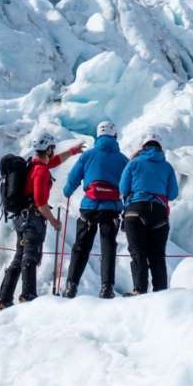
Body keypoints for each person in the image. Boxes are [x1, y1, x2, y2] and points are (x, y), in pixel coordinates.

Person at [0, 132, 84, 310]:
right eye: (52, 148)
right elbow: (40, 202)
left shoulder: (33, 165)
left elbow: (56, 161)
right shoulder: (41, 171)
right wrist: (54, 221)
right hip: (32, 219)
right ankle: (28, 296)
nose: (53, 151)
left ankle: (4, 299)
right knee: (30, 256)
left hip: (21, 219)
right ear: (48, 149)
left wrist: (73, 151)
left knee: (19, 257)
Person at [61, 121, 130, 299]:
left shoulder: (88, 156)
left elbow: (73, 178)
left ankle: (71, 286)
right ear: (115, 136)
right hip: (111, 208)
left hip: (89, 207)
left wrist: (67, 191)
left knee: (81, 246)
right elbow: (129, 186)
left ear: (98, 136)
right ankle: (107, 287)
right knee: (108, 247)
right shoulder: (123, 160)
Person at [119, 133, 179, 294]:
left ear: (143, 147)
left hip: (135, 211)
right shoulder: (167, 167)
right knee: (157, 255)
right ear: (159, 148)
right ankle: (160, 292)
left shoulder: (134, 163)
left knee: (138, 252)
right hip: (159, 214)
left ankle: (139, 290)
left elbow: (123, 189)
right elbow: (173, 194)